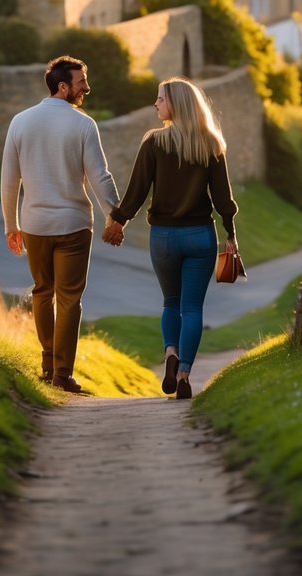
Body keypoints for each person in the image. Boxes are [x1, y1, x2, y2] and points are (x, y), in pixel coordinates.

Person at [103, 77, 238, 400]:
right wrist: (231, 235)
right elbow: (223, 199)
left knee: (170, 302)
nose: (156, 104)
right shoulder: (211, 144)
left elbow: (137, 191)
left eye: (160, 99)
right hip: (200, 237)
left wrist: (118, 221)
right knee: (192, 308)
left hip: (163, 236)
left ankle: (170, 352)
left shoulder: (154, 143)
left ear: (175, 105)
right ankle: (185, 374)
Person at [0, 55, 124, 393]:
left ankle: (47, 363)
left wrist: (11, 224)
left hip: (34, 224)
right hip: (73, 224)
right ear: (63, 86)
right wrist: (115, 216)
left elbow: (9, 180)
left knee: (42, 291)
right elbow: (100, 176)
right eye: (82, 81)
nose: (87, 87)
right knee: (69, 298)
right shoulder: (83, 125)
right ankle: (62, 373)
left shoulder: (19, 122)